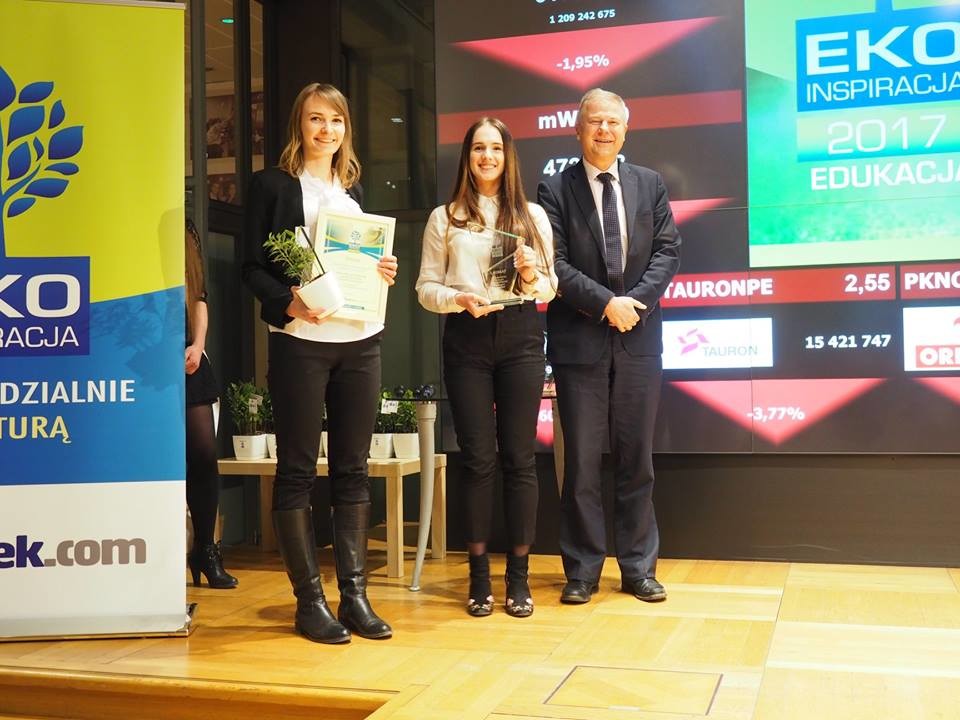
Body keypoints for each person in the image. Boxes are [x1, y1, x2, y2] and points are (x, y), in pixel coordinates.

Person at [242, 83, 398, 644]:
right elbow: (250, 265)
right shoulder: (273, 185)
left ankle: (354, 597)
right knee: (298, 471)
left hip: (360, 339)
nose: (325, 129)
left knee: (354, 469)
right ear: (299, 125)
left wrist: (381, 272)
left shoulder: (353, 191)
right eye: (315, 118)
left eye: (335, 119)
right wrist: (286, 302)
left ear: (345, 129)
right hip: (301, 341)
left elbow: (361, 263)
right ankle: (309, 602)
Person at [537, 88, 680, 605]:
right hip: (580, 344)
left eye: (612, 122)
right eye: (594, 121)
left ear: (625, 130)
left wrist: (632, 304)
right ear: (578, 130)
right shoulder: (555, 188)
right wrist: (605, 305)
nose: (603, 130)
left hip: (639, 338)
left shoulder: (650, 183)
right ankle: (582, 571)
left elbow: (667, 251)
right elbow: (554, 262)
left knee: (636, 459)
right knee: (580, 465)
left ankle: (638, 568)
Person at [416, 117, 557, 618]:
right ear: (468, 156)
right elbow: (425, 288)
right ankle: (478, 577)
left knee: (519, 457)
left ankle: (518, 577)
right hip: (467, 336)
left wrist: (530, 274)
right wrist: (457, 298)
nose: (487, 156)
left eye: (495, 148)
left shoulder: (532, 216)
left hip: (520, 335)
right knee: (477, 459)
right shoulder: (445, 218)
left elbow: (550, 287)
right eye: (479, 148)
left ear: (507, 155)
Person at [184, 219, 238, 590]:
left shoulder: (184, 230)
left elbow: (199, 296)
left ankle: (205, 549)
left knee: (204, 454)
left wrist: (198, 345)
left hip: (187, 357)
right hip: (138, 358)